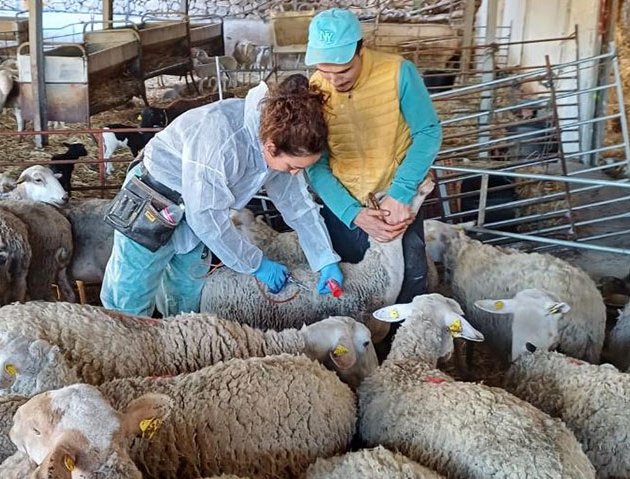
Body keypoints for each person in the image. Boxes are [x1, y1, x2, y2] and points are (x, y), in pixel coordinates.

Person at [101, 75, 343, 317]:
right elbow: (206, 217)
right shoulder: (221, 137)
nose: (294, 174)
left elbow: (298, 205)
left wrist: (324, 259)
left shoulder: (279, 141)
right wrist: (256, 264)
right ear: (271, 147)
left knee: (187, 292)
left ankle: (178, 345)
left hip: (201, 210)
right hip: (154, 198)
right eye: (293, 166)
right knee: (130, 294)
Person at [303, 8, 442, 306]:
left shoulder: (398, 72)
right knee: (351, 291)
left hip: (395, 203)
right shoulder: (315, 88)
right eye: (324, 70)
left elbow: (428, 132)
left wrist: (401, 194)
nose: (333, 81)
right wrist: (352, 213)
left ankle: (403, 348)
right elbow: (316, 164)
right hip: (344, 205)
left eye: (342, 71)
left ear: (361, 50)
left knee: (411, 279)